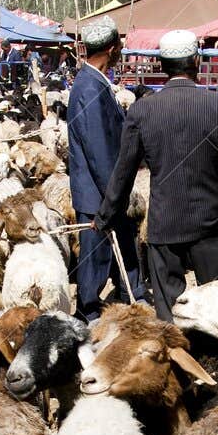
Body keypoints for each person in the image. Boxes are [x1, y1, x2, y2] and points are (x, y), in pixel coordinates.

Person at [99, 29, 218, 320]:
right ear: (196, 61)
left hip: (165, 225)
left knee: (171, 316)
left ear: (162, 65)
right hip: (210, 223)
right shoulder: (217, 105)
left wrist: (105, 215)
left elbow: (124, 172)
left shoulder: (142, 110)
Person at [67, 17, 142, 320]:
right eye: (120, 46)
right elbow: (99, 151)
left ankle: (130, 301)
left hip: (103, 193)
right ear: (112, 49)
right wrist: (114, 199)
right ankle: (89, 318)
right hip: (99, 196)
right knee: (94, 264)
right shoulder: (90, 88)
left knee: (121, 254)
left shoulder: (93, 82)